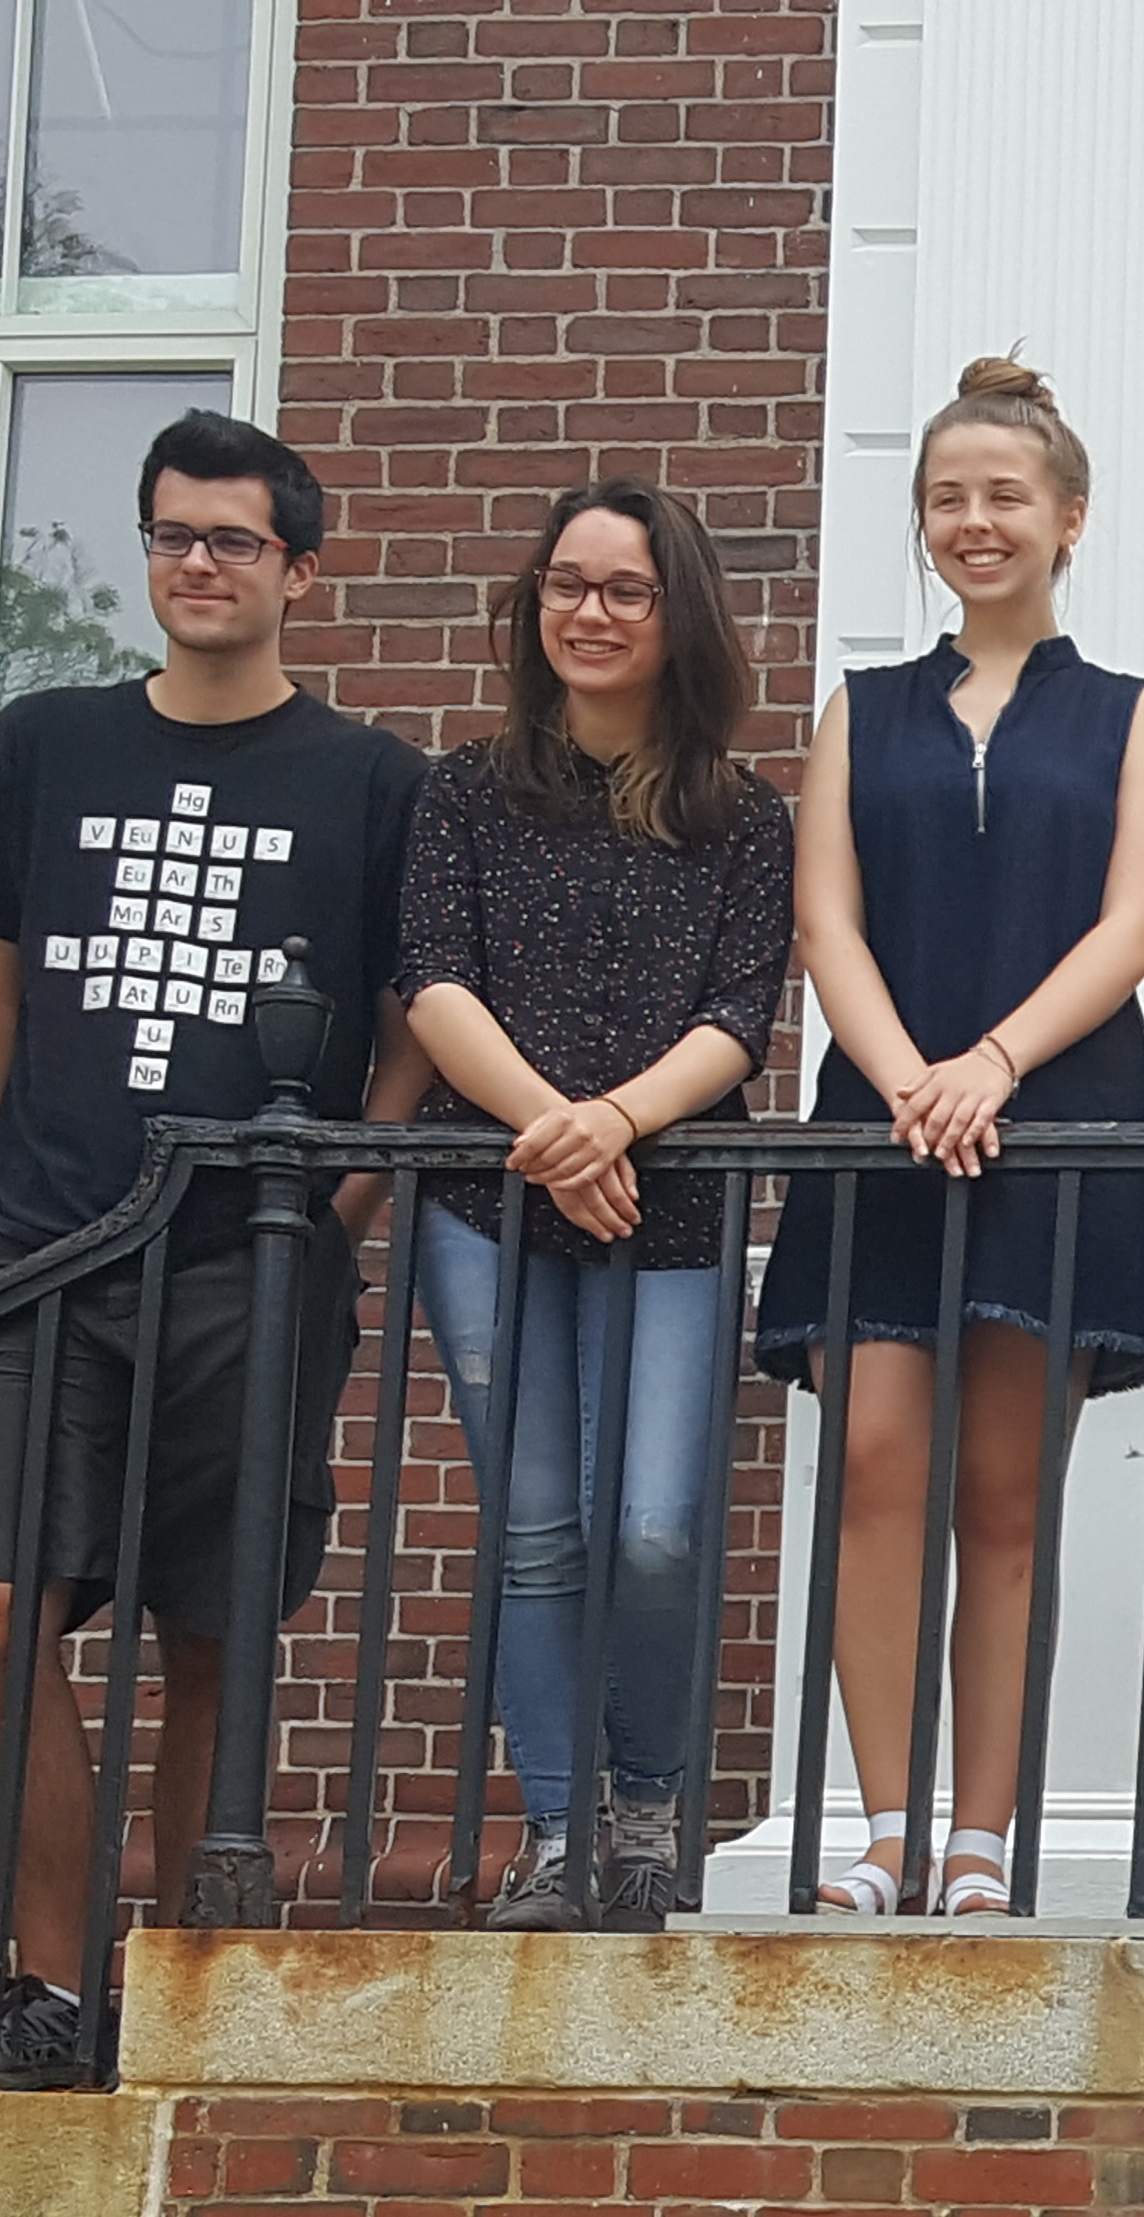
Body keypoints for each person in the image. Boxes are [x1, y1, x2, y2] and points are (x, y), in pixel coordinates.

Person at [0, 410, 423, 2089]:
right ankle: (51, 1991)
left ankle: (184, 2004)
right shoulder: (46, 745)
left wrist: (327, 1218)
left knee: (215, 1636)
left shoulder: (372, 782)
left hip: (244, 1266)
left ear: (299, 573)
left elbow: (410, 1034)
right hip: (35, 1251)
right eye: (174, 535)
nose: (200, 564)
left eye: (235, 540)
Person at [755, 360, 1144, 1918]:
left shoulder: (1133, 714)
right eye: (948, 497)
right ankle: (884, 1832)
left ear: (1071, 517)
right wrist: (909, 1082)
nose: (975, 521)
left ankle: (982, 1839)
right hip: (884, 1130)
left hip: (1052, 1127)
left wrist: (993, 1064)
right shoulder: (859, 710)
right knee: (877, 1470)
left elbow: (1137, 923)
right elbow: (826, 921)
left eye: (1006, 495)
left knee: (1007, 1495)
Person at [393, 481, 791, 1930]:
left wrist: (614, 1122)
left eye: (626, 589)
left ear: (679, 614)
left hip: (670, 1203)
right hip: (487, 1200)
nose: (590, 612)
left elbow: (743, 1014)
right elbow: (432, 977)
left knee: (657, 1531)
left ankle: (647, 1810)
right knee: (537, 1529)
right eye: (566, 583)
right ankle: (562, 1837)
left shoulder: (743, 817)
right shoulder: (465, 789)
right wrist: (552, 1132)